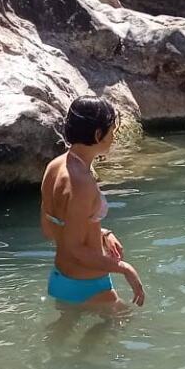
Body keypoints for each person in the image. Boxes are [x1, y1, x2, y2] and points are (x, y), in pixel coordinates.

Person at [41, 96, 145, 309]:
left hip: (61, 278)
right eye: (112, 131)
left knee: (63, 335)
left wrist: (101, 233)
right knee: (126, 326)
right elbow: (76, 249)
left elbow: (51, 228)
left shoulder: (55, 166)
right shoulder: (82, 184)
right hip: (88, 285)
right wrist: (125, 268)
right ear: (98, 135)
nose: (113, 137)